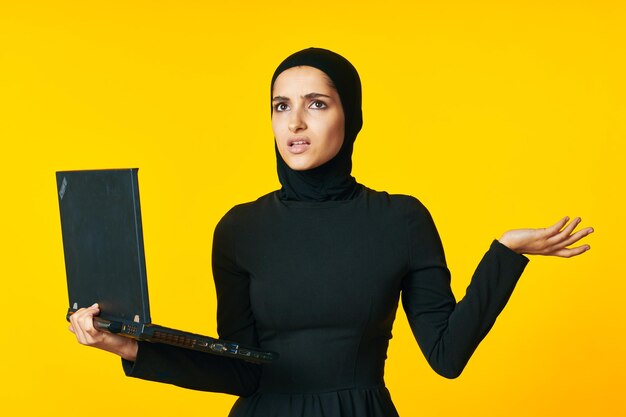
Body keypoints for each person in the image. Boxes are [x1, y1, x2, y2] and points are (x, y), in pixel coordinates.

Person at [69, 47, 593, 417]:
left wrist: (505, 254)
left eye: (316, 103)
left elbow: (447, 357)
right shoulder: (239, 228)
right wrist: (125, 346)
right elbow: (242, 370)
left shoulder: (401, 220)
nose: (295, 122)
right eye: (281, 106)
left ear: (351, 117)